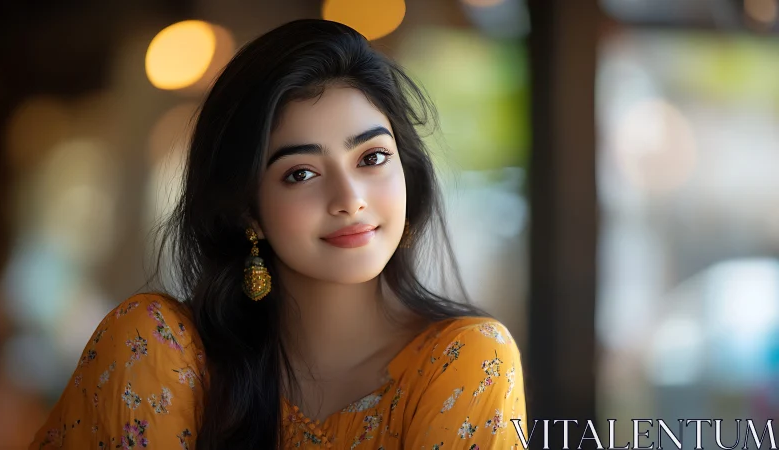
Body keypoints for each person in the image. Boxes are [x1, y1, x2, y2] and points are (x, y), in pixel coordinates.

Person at [29, 19, 527, 449]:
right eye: (300, 173)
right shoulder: (155, 349)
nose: (350, 197)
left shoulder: (466, 362)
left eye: (372, 158)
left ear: (408, 173)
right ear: (248, 210)